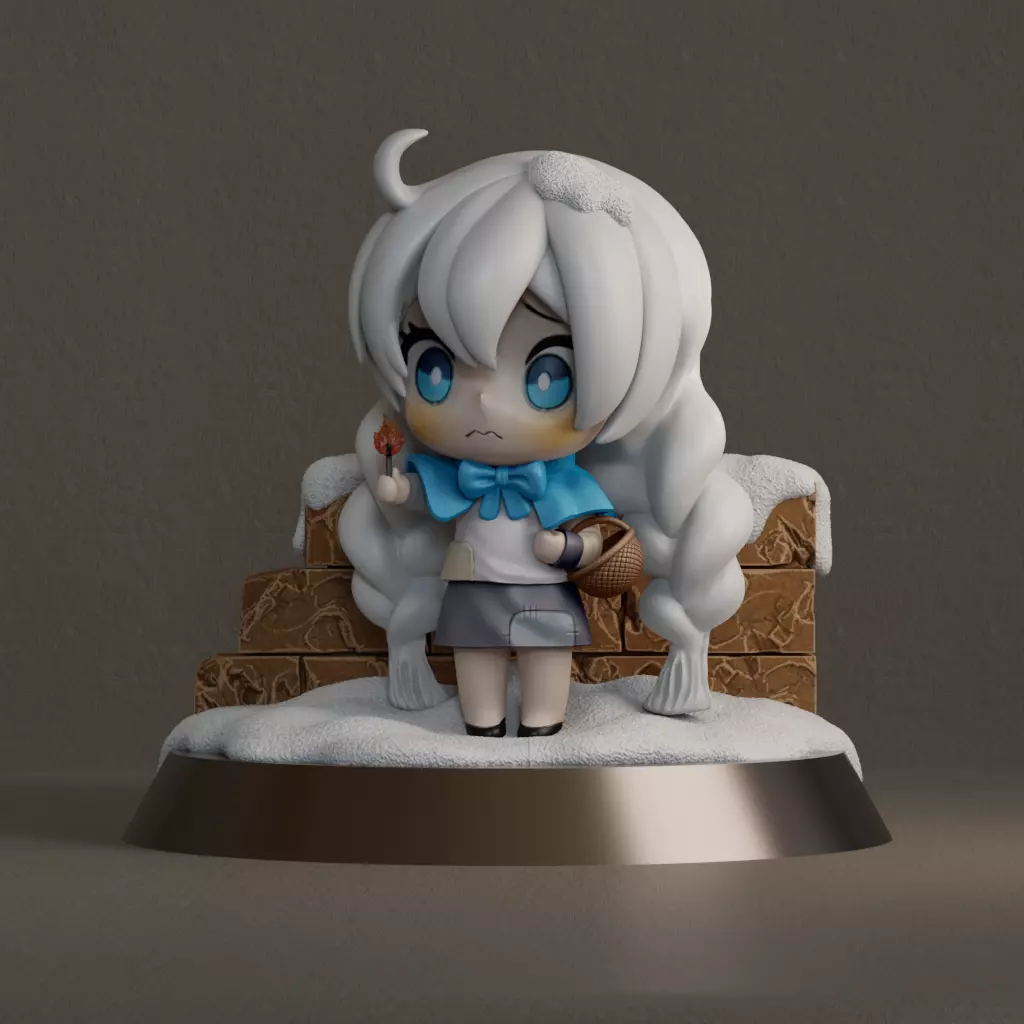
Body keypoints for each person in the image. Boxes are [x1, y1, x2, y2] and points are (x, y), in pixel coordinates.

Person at [340, 130, 753, 735]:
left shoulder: (558, 479)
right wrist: (397, 488)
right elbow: (424, 494)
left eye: (545, 377)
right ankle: (482, 725)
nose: (483, 399)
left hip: (544, 589)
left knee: (545, 659)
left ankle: (542, 725)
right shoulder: (461, 472)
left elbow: (598, 534)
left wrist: (566, 550)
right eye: (435, 367)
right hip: (472, 585)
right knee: (476, 659)